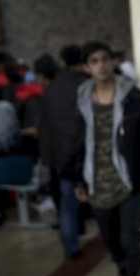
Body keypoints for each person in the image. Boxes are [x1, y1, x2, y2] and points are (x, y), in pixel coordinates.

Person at [70, 41, 140, 276]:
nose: (101, 66)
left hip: (128, 179)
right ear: (87, 67)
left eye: (104, 59)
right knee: (109, 238)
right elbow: (77, 140)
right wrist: (78, 179)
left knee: (130, 238)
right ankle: (122, 266)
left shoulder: (132, 95)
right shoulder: (82, 97)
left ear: (112, 62)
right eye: (94, 61)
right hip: (96, 179)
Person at [38, 44, 89, 259]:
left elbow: (45, 125)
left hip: (62, 154)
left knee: (67, 200)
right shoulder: (87, 85)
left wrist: (48, 157)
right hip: (86, 152)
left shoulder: (52, 88)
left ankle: (71, 245)